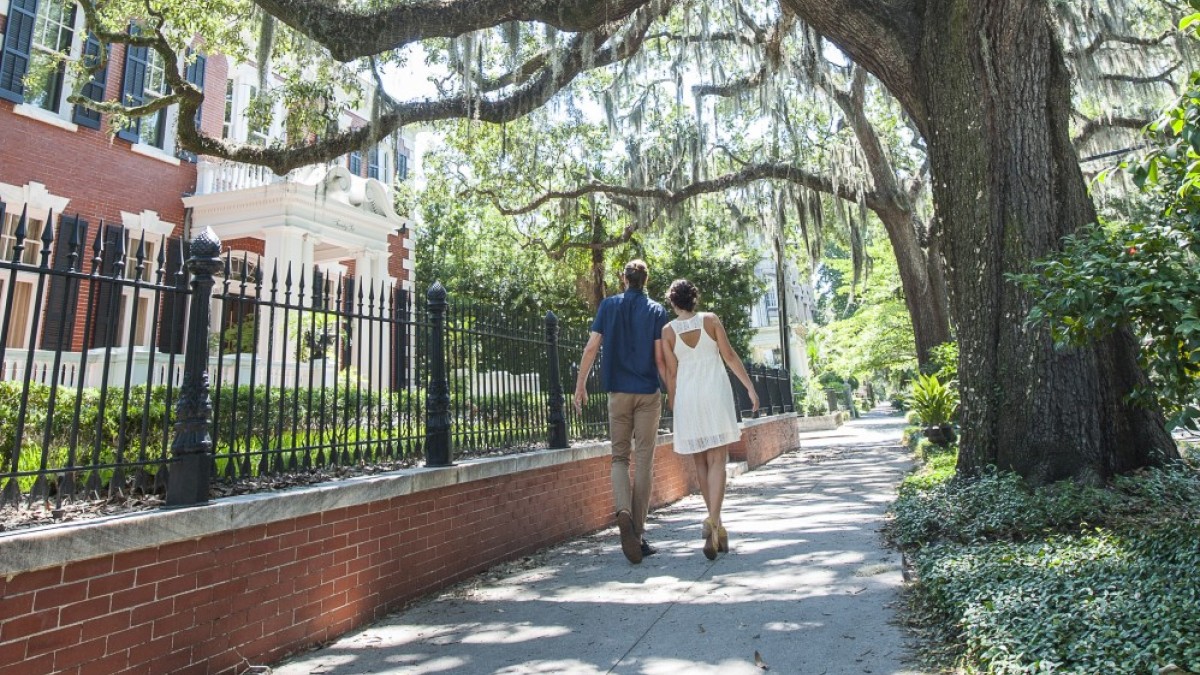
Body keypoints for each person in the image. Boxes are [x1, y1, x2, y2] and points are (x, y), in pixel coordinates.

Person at [574, 260, 671, 564]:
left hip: (618, 394)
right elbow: (659, 359)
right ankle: (637, 534)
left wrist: (581, 385)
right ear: (646, 280)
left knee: (619, 457)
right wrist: (673, 391)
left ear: (624, 279)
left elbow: (591, 348)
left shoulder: (608, 306)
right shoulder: (656, 311)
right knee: (644, 460)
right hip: (647, 393)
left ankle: (623, 512)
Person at [660, 279, 759, 560]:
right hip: (714, 392)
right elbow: (728, 356)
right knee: (718, 461)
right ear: (694, 299)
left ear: (673, 302)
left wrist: (673, 401)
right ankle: (715, 523)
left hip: (689, 398)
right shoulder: (710, 320)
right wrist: (749, 386)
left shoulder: (667, 331)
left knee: (700, 462)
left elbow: (672, 373)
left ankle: (714, 522)